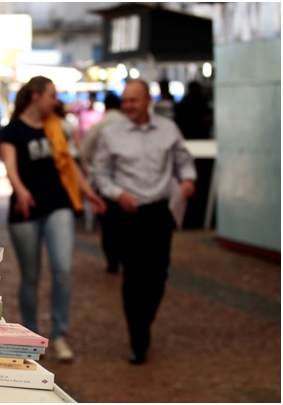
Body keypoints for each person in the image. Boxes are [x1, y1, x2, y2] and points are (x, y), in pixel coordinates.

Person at [0, 76, 106, 361]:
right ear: (35, 96)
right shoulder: (13, 131)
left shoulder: (57, 126)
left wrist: (87, 192)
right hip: (26, 209)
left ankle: (59, 334)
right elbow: (10, 165)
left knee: (62, 270)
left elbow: (69, 165)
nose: (55, 101)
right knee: (30, 276)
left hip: (58, 204)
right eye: (51, 95)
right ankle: (32, 336)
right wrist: (20, 191)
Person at [92, 79, 197, 365]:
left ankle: (145, 322)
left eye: (133, 100)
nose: (128, 106)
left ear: (147, 100)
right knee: (134, 277)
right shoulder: (111, 134)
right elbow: (100, 175)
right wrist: (117, 194)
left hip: (160, 212)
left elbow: (182, 160)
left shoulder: (168, 129)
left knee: (159, 274)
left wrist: (188, 179)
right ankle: (138, 339)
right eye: (125, 100)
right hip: (128, 213)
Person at [81, 92, 125, 274]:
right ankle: (125, 258)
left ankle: (112, 262)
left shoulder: (99, 126)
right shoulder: (127, 124)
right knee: (125, 222)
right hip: (126, 181)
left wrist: (94, 165)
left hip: (104, 181)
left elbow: (85, 150)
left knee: (108, 224)